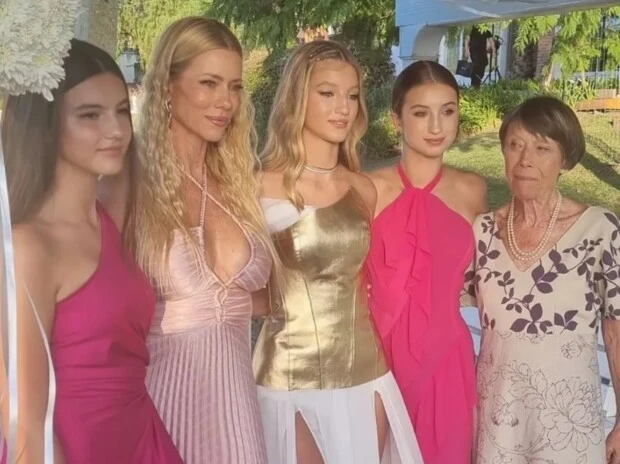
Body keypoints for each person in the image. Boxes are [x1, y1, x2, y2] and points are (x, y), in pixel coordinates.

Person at [0, 39, 182, 463]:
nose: (116, 130)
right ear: (45, 124)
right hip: (74, 447)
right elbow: (23, 420)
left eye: (121, 111)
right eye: (90, 115)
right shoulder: (29, 246)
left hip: (141, 436)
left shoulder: (110, 218)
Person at [253, 40, 424, 464]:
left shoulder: (362, 189)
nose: (343, 108)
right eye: (327, 93)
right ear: (297, 97)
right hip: (287, 375)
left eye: (351, 95)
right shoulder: (256, 185)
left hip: (365, 374)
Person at [129, 17, 273, 463]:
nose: (225, 102)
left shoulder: (239, 183)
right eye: (209, 83)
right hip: (160, 407)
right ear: (167, 86)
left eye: (234, 87)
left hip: (237, 413)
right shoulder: (129, 184)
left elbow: (260, 300)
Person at [462, 95, 620, 463]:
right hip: (497, 420)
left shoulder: (599, 230)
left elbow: (615, 333)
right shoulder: (482, 231)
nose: (525, 160)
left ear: (566, 159)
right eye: (515, 145)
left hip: (569, 425)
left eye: (542, 148)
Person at [365, 60, 487, 464]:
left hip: (446, 358)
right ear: (396, 119)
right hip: (376, 358)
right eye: (421, 113)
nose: (437, 126)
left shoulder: (472, 190)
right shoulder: (368, 188)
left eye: (447, 111)